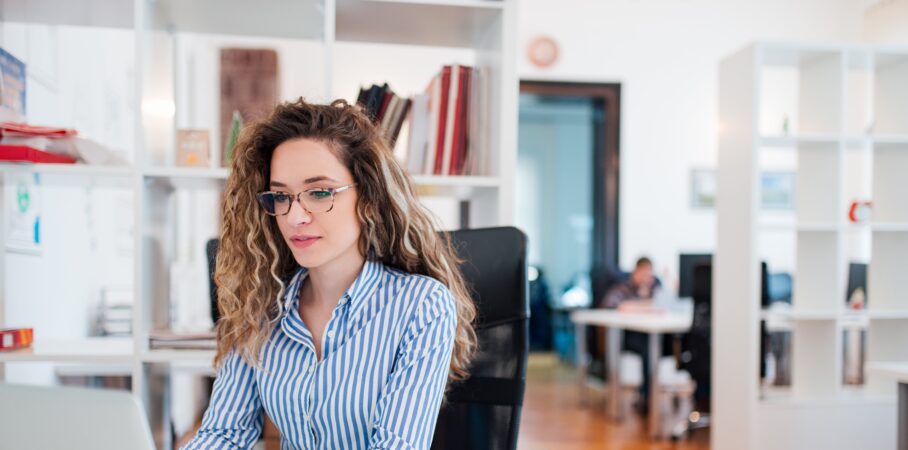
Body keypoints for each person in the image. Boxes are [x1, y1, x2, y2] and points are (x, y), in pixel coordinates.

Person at [183, 98, 476, 449]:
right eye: (281, 197)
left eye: (320, 193)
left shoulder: (420, 306)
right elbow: (224, 434)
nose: (295, 217)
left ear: (367, 199)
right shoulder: (262, 308)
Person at [601, 256, 662, 411]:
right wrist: (644, 304)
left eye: (649, 274)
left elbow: (665, 305)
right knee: (648, 349)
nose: (647, 277)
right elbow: (613, 305)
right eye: (643, 273)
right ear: (635, 271)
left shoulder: (656, 287)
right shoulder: (623, 287)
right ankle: (647, 396)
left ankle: (648, 394)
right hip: (628, 336)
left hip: (653, 334)